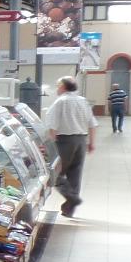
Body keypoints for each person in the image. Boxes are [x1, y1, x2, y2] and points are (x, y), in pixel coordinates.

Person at [46, 76, 97, 217]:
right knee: (75, 174)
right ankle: (69, 209)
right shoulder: (83, 101)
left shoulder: (60, 102)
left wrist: (50, 146)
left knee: (54, 173)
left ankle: (73, 199)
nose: (57, 88)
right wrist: (91, 143)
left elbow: (53, 127)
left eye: (58, 86)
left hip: (64, 141)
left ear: (63, 86)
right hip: (81, 140)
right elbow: (92, 124)